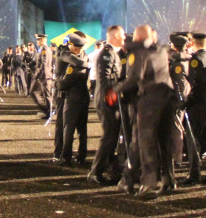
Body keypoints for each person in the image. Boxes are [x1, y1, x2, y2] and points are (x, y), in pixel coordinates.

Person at [114, 25, 177, 199]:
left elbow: (135, 78)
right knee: (164, 140)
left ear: (137, 37)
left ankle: (148, 182)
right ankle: (168, 180)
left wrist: (116, 88)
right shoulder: (161, 50)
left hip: (149, 100)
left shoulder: (138, 52)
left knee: (144, 140)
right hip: (167, 98)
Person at [88, 26, 125, 185]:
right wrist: (119, 88)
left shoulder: (113, 53)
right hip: (107, 100)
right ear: (115, 36)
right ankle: (95, 172)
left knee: (112, 136)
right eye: (122, 35)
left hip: (110, 99)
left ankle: (113, 170)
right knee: (109, 137)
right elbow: (104, 79)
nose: (124, 38)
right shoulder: (108, 54)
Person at [183, 32, 206, 185]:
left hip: (198, 105)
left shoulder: (195, 60)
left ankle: (194, 173)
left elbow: (194, 85)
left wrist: (186, 102)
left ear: (192, 42)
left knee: (193, 139)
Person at [56, 32, 91, 166]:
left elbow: (66, 81)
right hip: (84, 96)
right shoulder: (86, 57)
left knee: (68, 129)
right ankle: (81, 157)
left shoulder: (73, 64)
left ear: (74, 47)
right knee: (82, 130)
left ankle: (66, 157)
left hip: (72, 98)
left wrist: (57, 84)